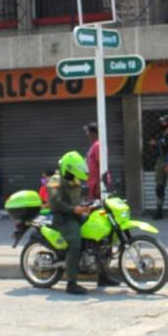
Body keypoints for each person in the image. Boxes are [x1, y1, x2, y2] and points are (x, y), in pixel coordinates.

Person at [46, 151, 110, 295]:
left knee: (99, 233)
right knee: (76, 242)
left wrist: (89, 204)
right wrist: (74, 209)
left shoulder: (74, 179)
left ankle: (103, 276)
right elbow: (55, 203)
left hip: (75, 215)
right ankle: (71, 283)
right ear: (69, 168)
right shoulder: (56, 180)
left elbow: (77, 200)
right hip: (62, 219)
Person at [84, 122, 107, 201]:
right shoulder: (95, 145)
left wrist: (99, 185)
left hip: (96, 184)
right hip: (93, 183)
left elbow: (101, 164)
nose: (86, 134)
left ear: (92, 133)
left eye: (87, 131)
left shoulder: (98, 145)